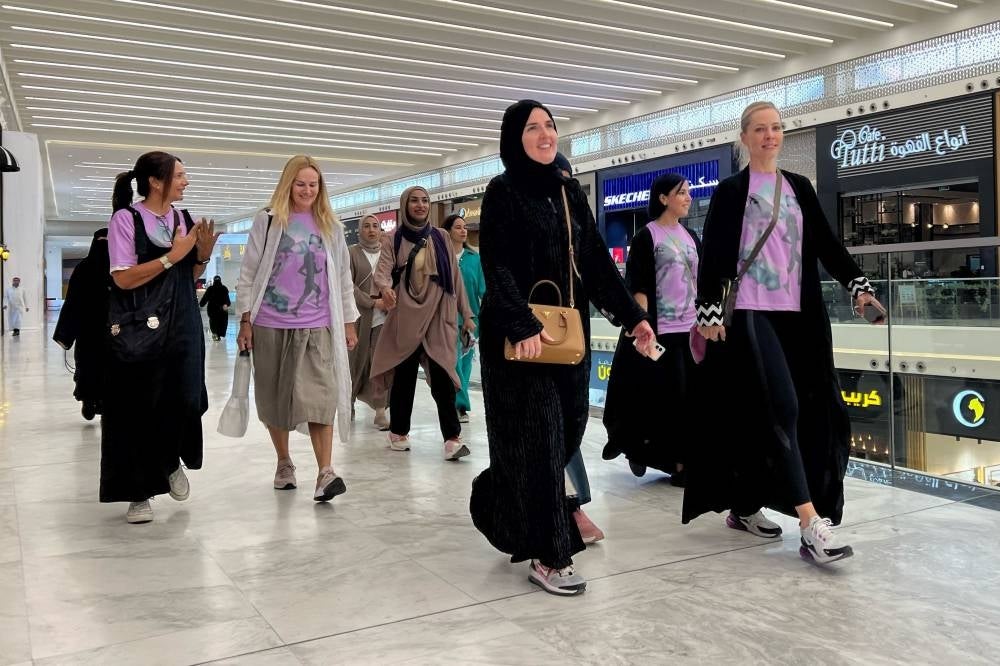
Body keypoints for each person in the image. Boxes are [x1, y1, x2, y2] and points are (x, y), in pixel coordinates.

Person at [469, 100, 655, 596]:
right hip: (520, 341)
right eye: (533, 128)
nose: (545, 134)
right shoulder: (502, 191)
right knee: (544, 437)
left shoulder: (569, 190)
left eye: (549, 125)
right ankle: (551, 555)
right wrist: (522, 323)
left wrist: (634, 319)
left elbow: (594, 262)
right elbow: (498, 265)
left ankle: (501, 502)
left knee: (567, 431)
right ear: (515, 138)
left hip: (567, 335)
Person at [684, 101, 879, 565]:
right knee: (784, 406)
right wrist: (709, 312)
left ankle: (746, 504)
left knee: (793, 409)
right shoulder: (734, 190)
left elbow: (826, 245)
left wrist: (858, 286)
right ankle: (811, 524)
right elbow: (714, 252)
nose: (770, 136)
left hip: (801, 315)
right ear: (745, 137)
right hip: (752, 312)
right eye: (760, 129)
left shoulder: (799, 187)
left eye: (776, 128)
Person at [102, 151, 218, 524]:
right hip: (140, 326)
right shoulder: (126, 219)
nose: (186, 182)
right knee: (139, 407)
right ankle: (139, 493)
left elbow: (190, 272)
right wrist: (173, 255)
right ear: (155, 181)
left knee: (185, 396)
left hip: (183, 323)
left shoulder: (184, 219)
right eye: (180, 175)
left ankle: (169, 461)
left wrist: (201, 255)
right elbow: (122, 277)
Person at [236, 155, 359, 502]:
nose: (307, 190)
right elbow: (248, 272)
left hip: (317, 323)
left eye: (313, 184)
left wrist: (348, 321)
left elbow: (342, 278)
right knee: (274, 396)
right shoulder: (269, 220)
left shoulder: (330, 225)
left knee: (323, 395)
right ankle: (284, 462)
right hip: (270, 323)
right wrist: (245, 320)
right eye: (300, 183)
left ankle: (325, 472)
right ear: (288, 184)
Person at [603, 173, 701, 486]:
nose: (687, 198)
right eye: (681, 192)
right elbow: (639, 284)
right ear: (663, 198)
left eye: (688, 193)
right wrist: (642, 323)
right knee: (660, 398)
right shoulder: (648, 237)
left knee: (688, 399)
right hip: (660, 331)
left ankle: (684, 461)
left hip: (690, 332)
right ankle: (653, 454)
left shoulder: (690, 236)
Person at [370, 186, 476, 461]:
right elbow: (381, 273)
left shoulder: (440, 237)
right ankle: (398, 431)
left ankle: (452, 438)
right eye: (414, 201)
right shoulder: (393, 239)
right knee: (404, 378)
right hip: (405, 318)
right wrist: (385, 289)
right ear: (405, 205)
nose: (420, 205)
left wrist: (468, 316)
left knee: (442, 377)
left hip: (437, 318)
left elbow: (455, 280)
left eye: (425, 201)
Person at [553, 151, 605, 545]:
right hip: (533, 341)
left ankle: (571, 501)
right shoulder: (521, 220)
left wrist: (632, 316)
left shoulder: (581, 231)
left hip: (574, 338)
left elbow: (601, 275)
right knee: (546, 420)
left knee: (570, 418)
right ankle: (569, 506)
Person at [53, 229, 111, 420]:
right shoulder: (117, 267)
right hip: (105, 329)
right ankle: (93, 401)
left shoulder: (83, 268)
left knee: (91, 365)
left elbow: (72, 302)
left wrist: (66, 332)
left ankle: (92, 400)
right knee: (96, 366)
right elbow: (73, 301)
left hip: (92, 330)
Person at [440, 213, 485, 424]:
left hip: (470, 320)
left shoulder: (474, 258)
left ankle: (459, 405)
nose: (463, 231)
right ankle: (459, 403)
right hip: (446, 320)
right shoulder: (440, 257)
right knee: (453, 363)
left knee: (465, 365)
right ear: (448, 231)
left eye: (464, 227)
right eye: (458, 227)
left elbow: (483, 289)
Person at [348, 214, 389, 430]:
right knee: (356, 361)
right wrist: (371, 303)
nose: (372, 230)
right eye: (366, 226)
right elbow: (348, 284)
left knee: (379, 362)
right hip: (358, 316)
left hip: (384, 317)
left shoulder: (386, 253)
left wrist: (387, 301)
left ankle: (380, 409)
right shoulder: (352, 253)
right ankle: (350, 401)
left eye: (375, 226)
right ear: (359, 230)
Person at [199, 275, 231, 341]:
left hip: (212, 310)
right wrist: (226, 304)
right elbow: (228, 300)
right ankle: (219, 334)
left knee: (213, 322)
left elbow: (204, 299)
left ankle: (215, 334)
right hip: (222, 310)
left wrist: (201, 304)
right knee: (222, 323)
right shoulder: (224, 288)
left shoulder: (210, 289)